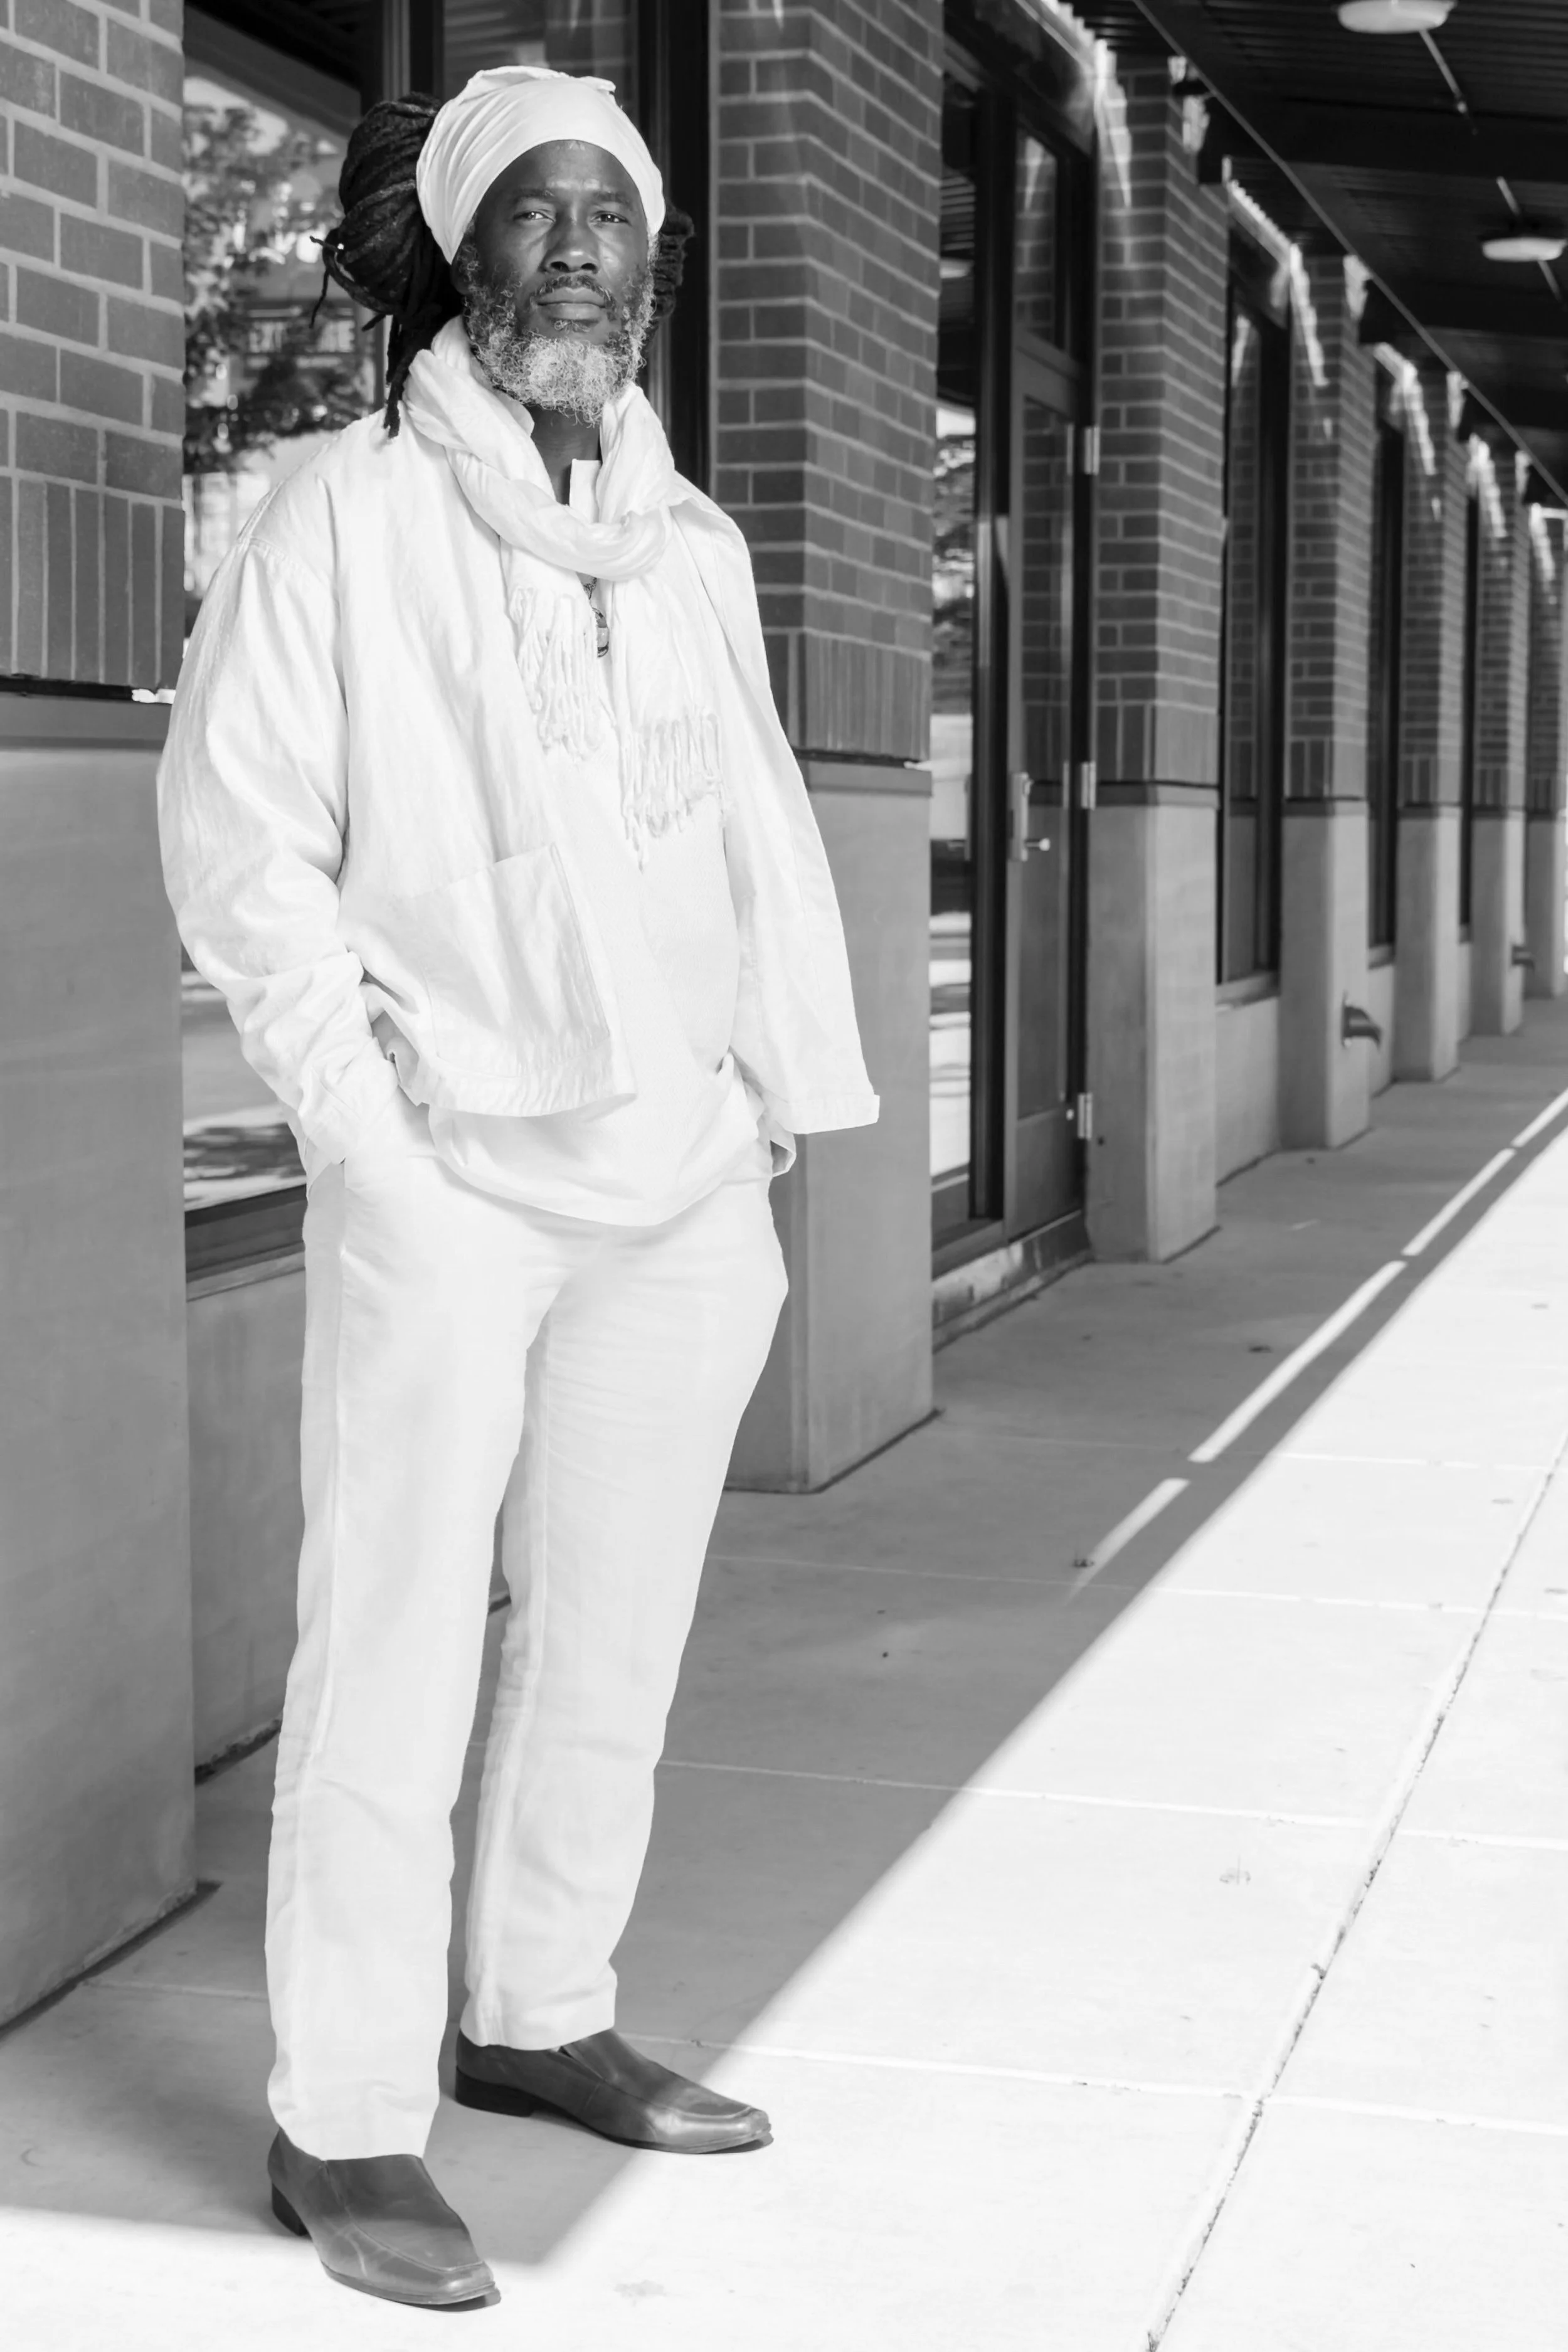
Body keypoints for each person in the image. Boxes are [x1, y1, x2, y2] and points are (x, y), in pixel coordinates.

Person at [158, 65, 877, 2313]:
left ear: (653, 265)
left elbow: (748, 830)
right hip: (453, 1177)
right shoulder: (337, 518)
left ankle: (537, 2007)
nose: (576, 245)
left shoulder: (695, 548)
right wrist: (364, 1144)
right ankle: (346, 2119)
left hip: (676, 1183)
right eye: (531, 213)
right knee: (386, 1651)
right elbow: (240, 847)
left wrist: (759, 1118)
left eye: (610, 214)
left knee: (614, 1641)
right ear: (459, 259)